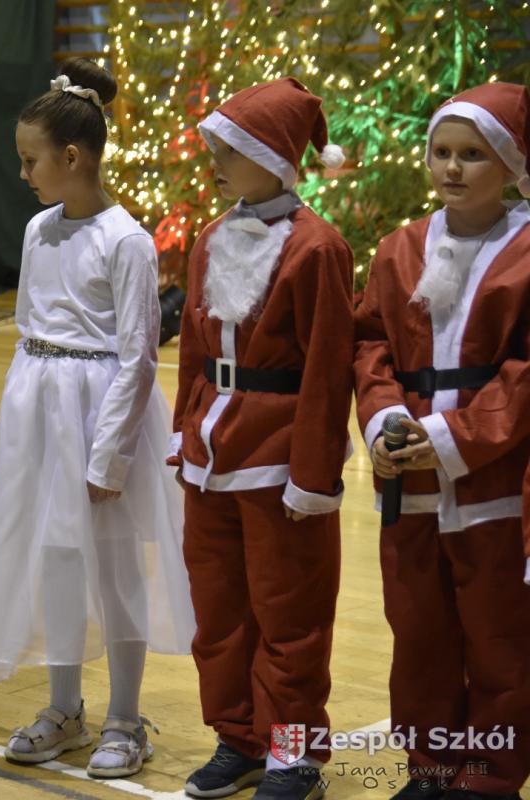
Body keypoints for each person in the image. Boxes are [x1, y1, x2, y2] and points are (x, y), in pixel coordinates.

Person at [0, 58, 194, 780]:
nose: (23, 174)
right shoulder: (38, 230)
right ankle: (65, 709)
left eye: (30, 161)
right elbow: (29, 325)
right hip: (41, 414)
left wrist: (108, 456)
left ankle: (126, 718)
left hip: (99, 416)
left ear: (72, 158)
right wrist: (25, 415)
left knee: (115, 568)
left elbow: (137, 357)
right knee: (57, 561)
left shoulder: (126, 240)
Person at [170, 79, 354, 800]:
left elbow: (328, 369)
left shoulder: (318, 248)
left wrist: (314, 474)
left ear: (273, 157)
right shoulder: (212, 237)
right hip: (209, 456)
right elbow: (194, 351)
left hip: (278, 461)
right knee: (218, 611)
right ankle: (240, 738)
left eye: (229, 151)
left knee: (290, 616)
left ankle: (292, 755)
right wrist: (184, 432)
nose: (214, 163)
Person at [354, 82, 530, 800]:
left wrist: (451, 436)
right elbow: (370, 345)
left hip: (493, 481)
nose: (452, 168)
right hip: (411, 480)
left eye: (472, 154)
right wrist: (383, 423)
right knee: (420, 633)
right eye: (441, 152)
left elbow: (524, 374)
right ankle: (429, 768)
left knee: (497, 638)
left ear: (511, 162)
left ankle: (487, 778)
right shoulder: (399, 248)